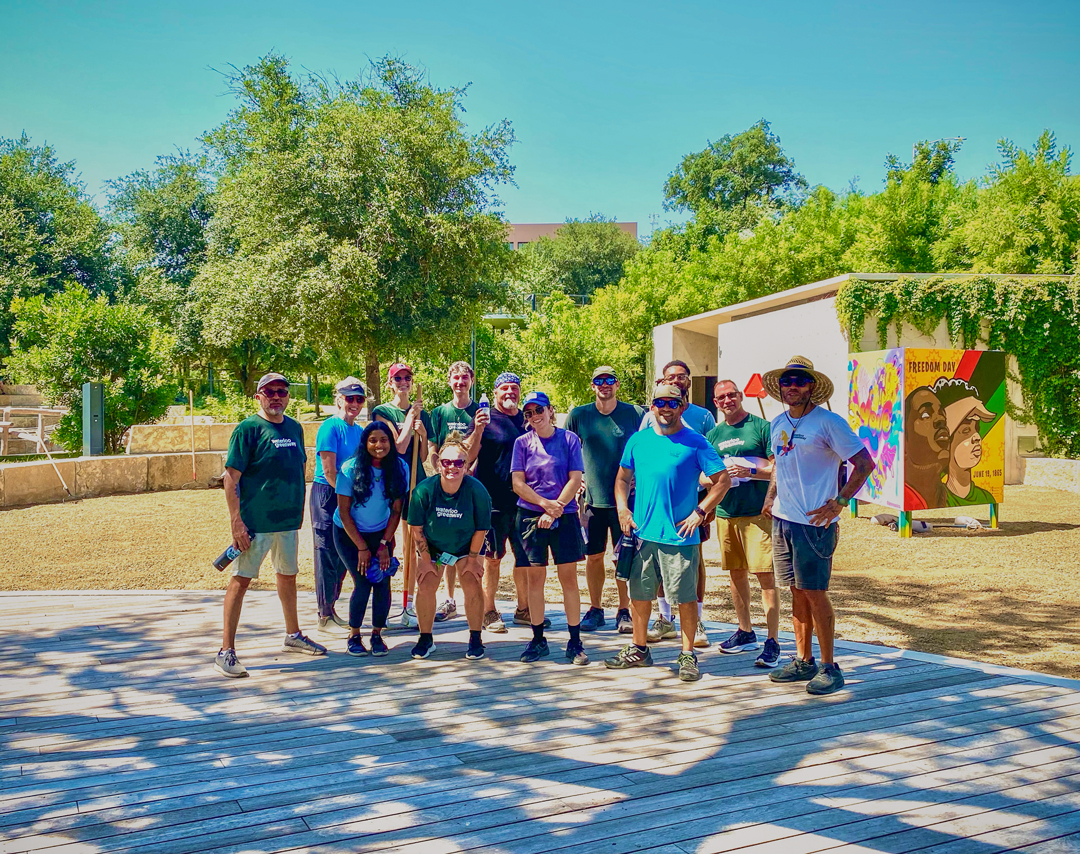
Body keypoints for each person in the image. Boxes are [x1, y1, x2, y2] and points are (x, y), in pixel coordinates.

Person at [761, 355, 874, 696]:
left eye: (799, 381)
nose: (791, 387)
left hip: (814, 523)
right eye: (786, 381)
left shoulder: (829, 423)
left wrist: (840, 501)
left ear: (811, 387)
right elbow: (779, 464)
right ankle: (803, 659)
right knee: (794, 591)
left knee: (815, 592)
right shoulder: (777, 421)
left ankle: (829, 665)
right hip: (784, 519)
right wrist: (770, 498)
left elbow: (864, 463)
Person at [605, 384, 730, 682]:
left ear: (682, 406)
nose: (665, 407)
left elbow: (722, 480)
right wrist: (623, 509)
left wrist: (700, 512)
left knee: (685, 597)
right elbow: (622, 478)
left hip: (680, 536)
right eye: (660, 402)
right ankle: (639, 648)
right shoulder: (639, 440)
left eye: (672, 403)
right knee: (639, 594)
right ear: (652, 406)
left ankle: (687, 654)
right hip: (643, 534)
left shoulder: (696, 442)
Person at [215, 373, 326, 678]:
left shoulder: (294, 428)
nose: (277, 396)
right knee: (241, 581)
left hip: (287, 523)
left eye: (282, 391)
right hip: (255, 525)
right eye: (270, 392)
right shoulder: (248, 429)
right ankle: (226, 650)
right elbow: (230, 479)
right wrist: (236, 522)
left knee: (288, 577)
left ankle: (293, 635)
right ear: (258, 396)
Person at [641, 360, 717, 649]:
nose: (677, 380)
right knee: (658, 558)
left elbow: (712, 460)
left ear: (688, 381)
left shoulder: (703, 416)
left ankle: (696, 620)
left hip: (693, 499)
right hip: (657, 500)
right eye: (670, 377)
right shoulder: (651, 416)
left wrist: (703, 506)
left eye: (682, 377)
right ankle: (664, 619)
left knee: (692, 559)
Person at [705, 379, 780, 667]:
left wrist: (750, 470)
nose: (727, 400)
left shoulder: (762, 427)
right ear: (716, 402)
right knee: (736, 574)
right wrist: (718, 477)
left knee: (765, 576)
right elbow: (703, 476)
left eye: (732, 395)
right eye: (721, 397)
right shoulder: (713, 435)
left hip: (758, 514)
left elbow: (778, 468)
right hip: (727, 514)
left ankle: (772, 640)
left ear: (741, 396)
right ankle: (746, 631)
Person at [564, 366, 643, 635]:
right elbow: (567, 450)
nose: (605, 385)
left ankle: (624, 610)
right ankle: (596, 609)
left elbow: (647, 447)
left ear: (617, 385)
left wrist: (640, 476)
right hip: (592, 501)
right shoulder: (579, 415)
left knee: (623, 556)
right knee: (593, 557)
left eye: (610, 380)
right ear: (592, 385)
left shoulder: (634, 414)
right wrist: (576, 478)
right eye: (599, 381)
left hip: (626, 502)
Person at [511, 391, 589, 664]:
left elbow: (575, 477)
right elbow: (518, 483)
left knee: (569, 578)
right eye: (529, 413)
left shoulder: (569, 439)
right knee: (535, 579)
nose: (534, 417)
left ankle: (575, 641)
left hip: (564, 516)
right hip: (531, 516)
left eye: (538, 410)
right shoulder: (522, 443)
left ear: (550, 410)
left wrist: (556, 508)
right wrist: (545, 505)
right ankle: (537, 639)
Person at [406, 433, 492, 661]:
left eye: (458, 463)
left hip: (466, 546)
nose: (452, 467)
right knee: (425, 583)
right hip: (433, 546)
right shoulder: (424, 490)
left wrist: (473, 559)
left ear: (466, 465)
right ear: (438, 464)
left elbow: (481, 530)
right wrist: (424, 559)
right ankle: (425, 638)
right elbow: (416, 528)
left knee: (471, 581)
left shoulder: (478, 491)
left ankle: (475, 638)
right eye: (446, 462)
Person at [333, 421, 409, 657]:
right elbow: (344, 512)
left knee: (382, 580)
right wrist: (362, 548)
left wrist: (385, 543)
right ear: (365, 443)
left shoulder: (400, 468)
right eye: (373, 440)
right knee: (364, 581)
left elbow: (396, 511)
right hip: (349, 533)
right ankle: (354, 634)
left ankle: (377, 634)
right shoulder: (350, 469)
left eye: (384, 440)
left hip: (380, 533)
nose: (379, 445)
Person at [468, 371, 535, 633]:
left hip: (525, 502)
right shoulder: (485, 418)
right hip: (493, 502)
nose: (509, 392)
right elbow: (469, 454)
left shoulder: (527, 418)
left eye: (514, 388)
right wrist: (478, 428)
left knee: (525, 559)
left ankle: (524, 609)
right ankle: (489, 611)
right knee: (492, 559)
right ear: (494, 393)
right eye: (504, 388)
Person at [372, 361, 433, 627]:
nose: (403, 382)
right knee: (386, 540)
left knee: (413, 542)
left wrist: (423, 430)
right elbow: (397, 447)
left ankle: (409, 604)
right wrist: (409, 422)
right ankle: (381, 602)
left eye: (407, 377)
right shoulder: (381, 412)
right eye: (398, 378)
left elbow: (421, 455)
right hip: (392, 481)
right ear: (390, 383)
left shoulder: (422, 413)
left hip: (415, 482)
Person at [311, 377, 367, 636]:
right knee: (326, 553)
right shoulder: (330, 427)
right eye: (349, 398)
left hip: (349, 496)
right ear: (339, 400)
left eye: (359, 399)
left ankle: (332, 609)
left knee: (343, 554)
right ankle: (324, 614)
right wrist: (347, 495)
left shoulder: (358, 430)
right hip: (328, 494)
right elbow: (329, 470)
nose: (354, 403)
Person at [428, 361, 480, 624]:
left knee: (472, 543)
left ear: (472, 380)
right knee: (446, 539)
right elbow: (433, 448)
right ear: (449, 381)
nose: (460, 382)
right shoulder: (439, 412)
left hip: (471, 486)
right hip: (444, 487)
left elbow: (482, 446)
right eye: (456, 378)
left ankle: (477, 602)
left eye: (465, 378)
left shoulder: (480, 411)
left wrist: (467, 470)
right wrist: (441, 472)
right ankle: (448, 599)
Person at [934, 378, 998, 507]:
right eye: (966, 431)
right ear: (946, 442)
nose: (977, 438)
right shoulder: (936, 499)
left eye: (977, 429)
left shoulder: (986, 497)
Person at [903, 386, 950, 509]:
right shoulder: (904, 495)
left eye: (942, 413)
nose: (941, 419)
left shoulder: (948, 495)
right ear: (904, 439)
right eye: (925, 415)